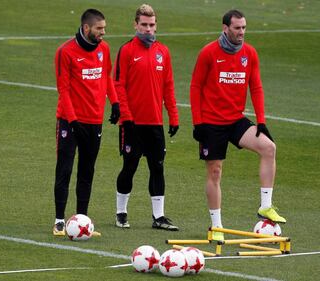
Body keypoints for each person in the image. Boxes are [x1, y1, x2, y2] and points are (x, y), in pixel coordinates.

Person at [190, 9, 286, 241]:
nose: (241, 32)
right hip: (211, 123)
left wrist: (261, 121)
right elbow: (195, 87)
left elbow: (256, 87)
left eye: (244, 28)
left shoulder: (249, 53)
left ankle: (265, 205)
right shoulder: (209, 53)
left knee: (269, 147)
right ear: (225, 28)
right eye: (237, 28)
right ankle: (217, 227)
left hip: (235, 120)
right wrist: (198, 123)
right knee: (215, 172)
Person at [53, 8, 120, 236]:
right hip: (70, 122)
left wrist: (115, 102)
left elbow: (107, 76)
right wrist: (72, 120)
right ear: (86, 28)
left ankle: (82, 221)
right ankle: (60, 220)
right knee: (65, 169)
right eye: (99, 28)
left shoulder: (104, 49)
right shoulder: (66, 52)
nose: (103, 32)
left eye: (104, 28)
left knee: (87, 171)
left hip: (94, 121)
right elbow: (63, 89)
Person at [113, 4, 179, 231]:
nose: (148, 29)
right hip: (132, 124)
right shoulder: (127, 50)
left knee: (157, 167)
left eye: (151, 25)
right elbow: (118, 86)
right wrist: (126, 118)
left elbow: (168, 86)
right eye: (144, 25)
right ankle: (121, 212)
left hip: (155, 124)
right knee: (129, 167)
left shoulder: (163, 52)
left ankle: (158, 217)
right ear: (136, 25)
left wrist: (173, 116)